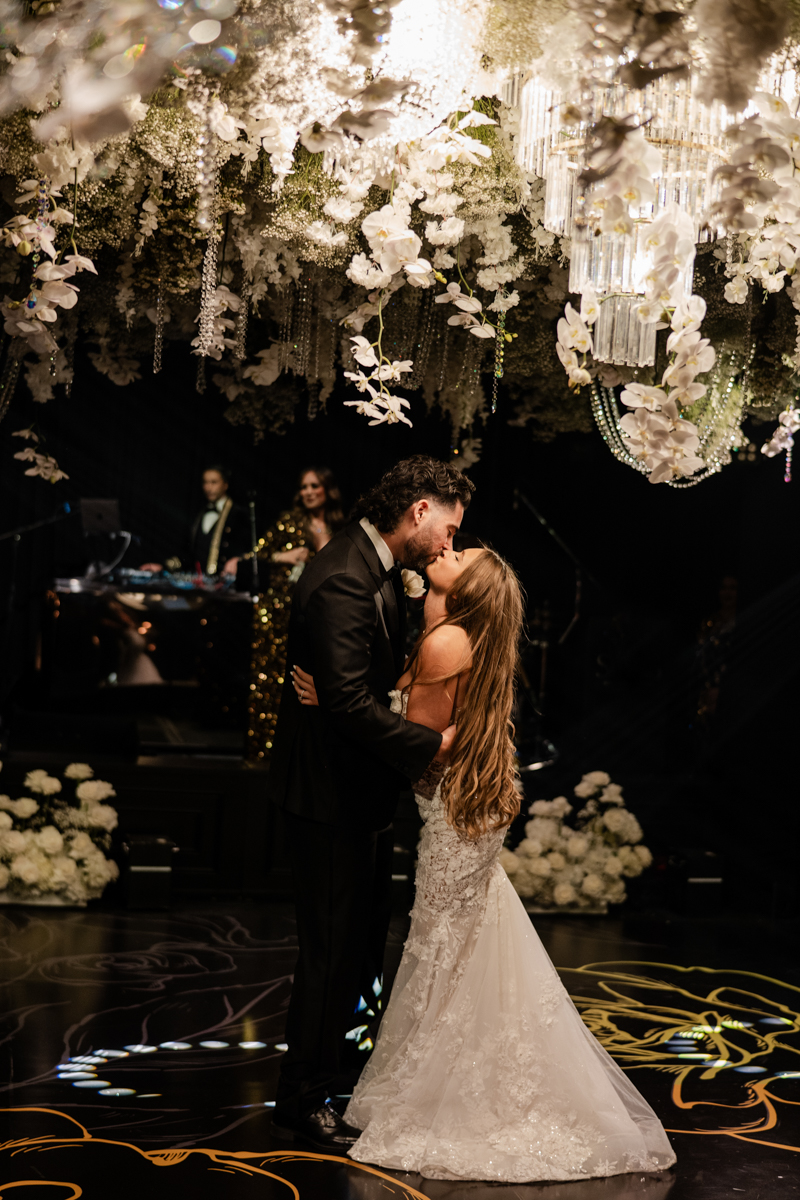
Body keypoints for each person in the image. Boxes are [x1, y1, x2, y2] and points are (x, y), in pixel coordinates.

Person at [292, 545, 677, 1183]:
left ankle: (448, 1096)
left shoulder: (447, 642)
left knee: (444, 944)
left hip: (452, 813)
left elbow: (417, 748)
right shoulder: (449, 634)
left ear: (468, 588)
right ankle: (439, 1079)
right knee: (457, 943)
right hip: (465, 811)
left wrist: (333, 703)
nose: (448, 548)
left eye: (461, 553)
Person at [267, 455, 475, 1152]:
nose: (447, 543)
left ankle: (338, 1071)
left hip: (359, 791)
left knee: (357, 948)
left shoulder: (377, 570)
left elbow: (356, 689)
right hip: (328, 795)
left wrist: (348, 697)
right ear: (419, 511)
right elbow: (352, 705)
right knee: (329, 951)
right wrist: (433, 744)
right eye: (447, 527)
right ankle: (301, 1095)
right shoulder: (343, 579)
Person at [246, 466, 346, 763]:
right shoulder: (289, 521)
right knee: (273, 683)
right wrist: (284, 556)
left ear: (327, 489)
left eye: (314, 485)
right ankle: (264, 753)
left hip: (321, 614)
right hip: (279, 613)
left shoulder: (340, 526)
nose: (308, 492)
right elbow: (255, 557)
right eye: (304, 487)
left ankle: (303, 754)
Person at [142, 464, 250, 577]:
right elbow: (189, 556)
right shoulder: (198, 514)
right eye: (205, 482)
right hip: (198, 583)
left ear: (225, 485)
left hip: (226, 584)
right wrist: (163, 566)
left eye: (214, 482)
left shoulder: (239, 514)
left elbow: (249, 551)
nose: (208, 487)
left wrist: (239, 560)